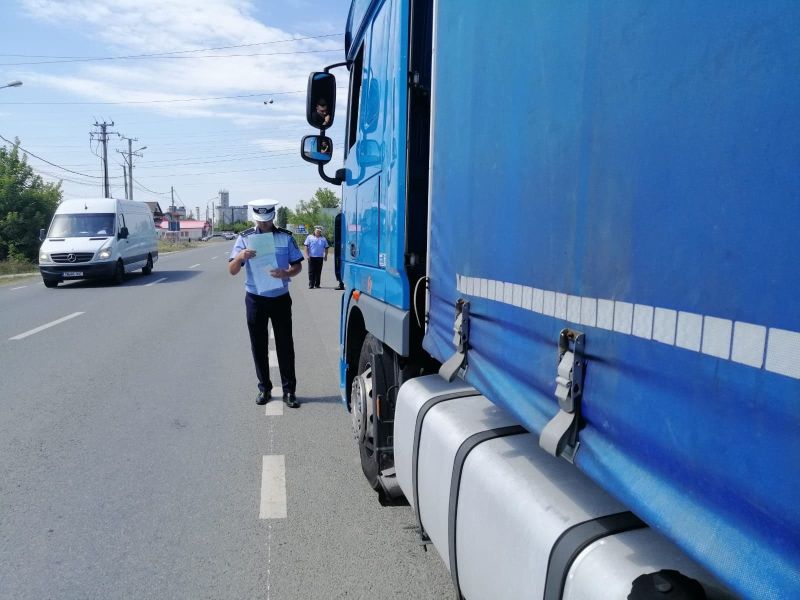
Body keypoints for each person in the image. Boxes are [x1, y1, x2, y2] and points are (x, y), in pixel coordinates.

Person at [229, 199, 304, 408]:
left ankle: (289, 391)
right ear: (255, 218)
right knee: (258, 345)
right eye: (260, 221)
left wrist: (286, 272)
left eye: (268, 220)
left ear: (273, 217)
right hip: (255, 299)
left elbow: (297, 266)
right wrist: (240, 256)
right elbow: (232, 270)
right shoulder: (245, 238)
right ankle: (264, 388)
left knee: (285, 345)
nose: (264, 224)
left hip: (280, 298)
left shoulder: (285, 237)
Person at [334, 212, 344, 290]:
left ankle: (341, 283)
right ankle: (341, 283)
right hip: (342, 251)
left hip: (341, 251)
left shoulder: (340, 218)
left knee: (340, 266)